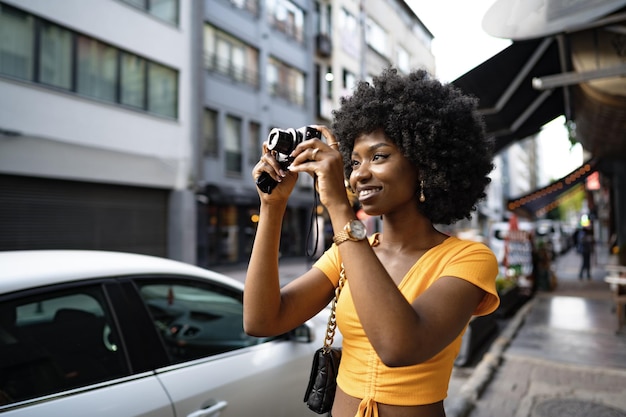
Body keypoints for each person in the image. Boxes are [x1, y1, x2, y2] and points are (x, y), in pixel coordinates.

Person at [244, 68, 500, 417]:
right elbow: (262, 320)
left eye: (378, 157)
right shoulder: (347, 252)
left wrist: (337, 205)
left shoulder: (468, 259)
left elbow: (398, 347)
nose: (358, 174)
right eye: (353, 161)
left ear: (425, 165)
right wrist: (272, 208)